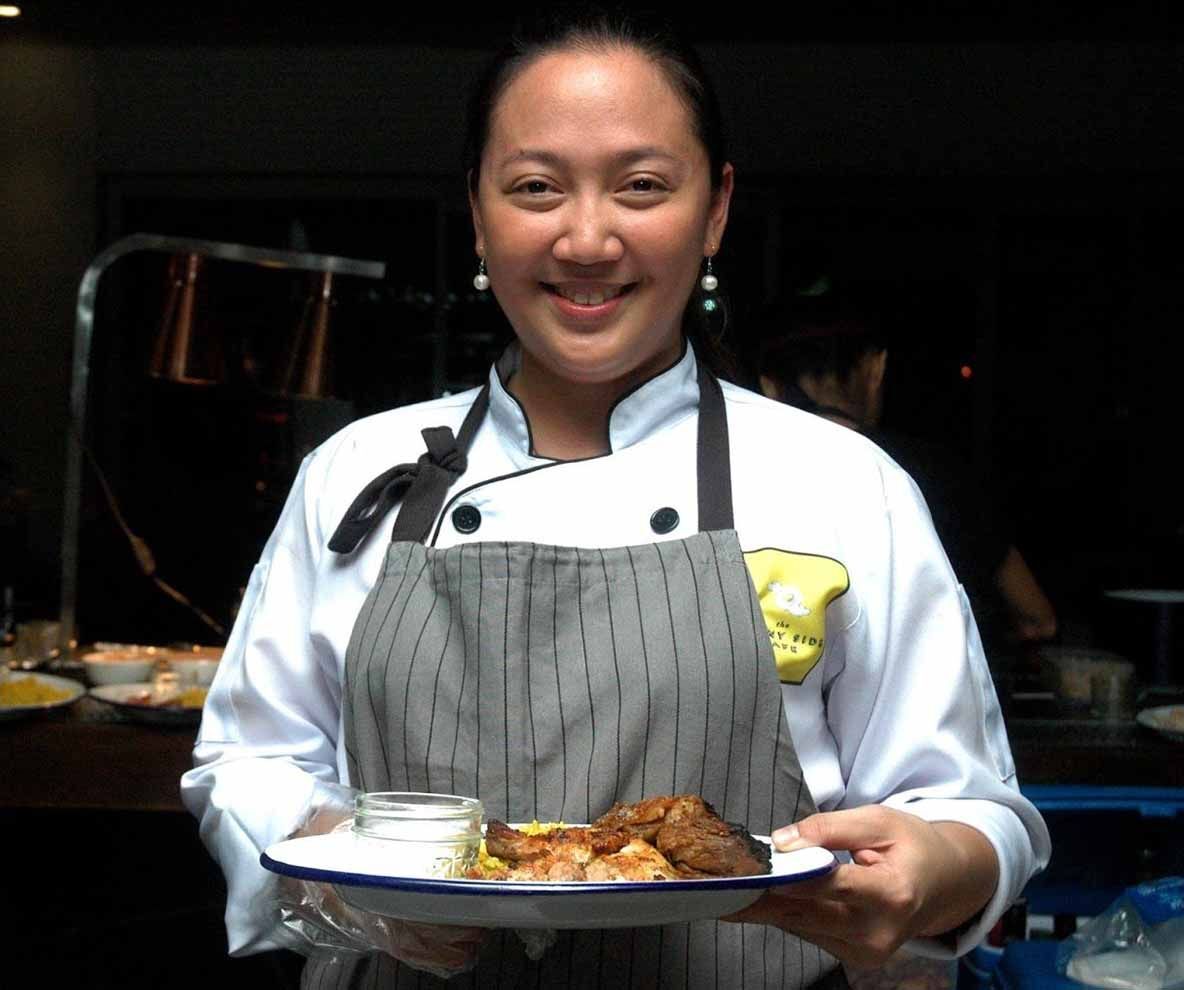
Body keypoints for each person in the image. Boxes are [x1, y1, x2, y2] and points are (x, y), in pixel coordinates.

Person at [182, 10, 1050, 989]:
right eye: (535, 187)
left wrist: (935, 871)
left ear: (715, 211)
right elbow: (249, 763)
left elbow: (974, 813)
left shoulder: (843, 483)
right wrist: (342, 883)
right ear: (478, 214)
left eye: (641, 186)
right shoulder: (356, 472)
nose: (587, 239)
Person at [756, 289, 1059, 648]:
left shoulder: (748, 477)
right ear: (876, 369)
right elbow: (1039, 619)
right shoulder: (936, 476)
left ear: (769, 387)